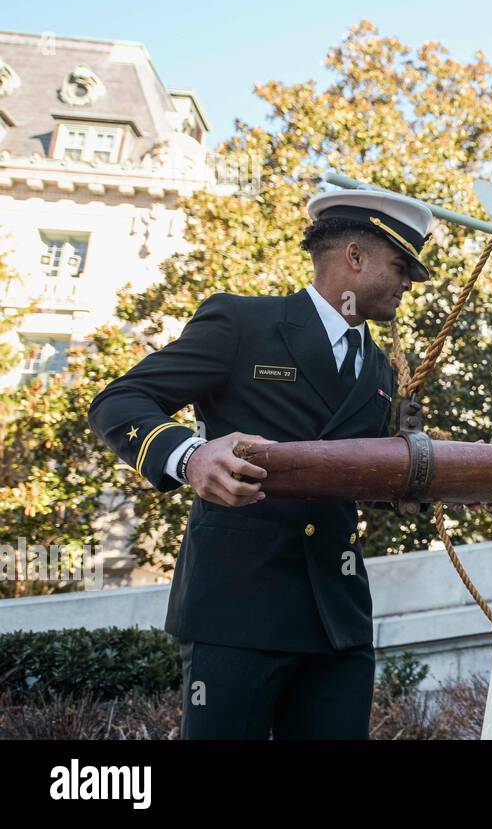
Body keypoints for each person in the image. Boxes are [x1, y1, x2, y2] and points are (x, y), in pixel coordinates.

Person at [88, 182, 435, 739]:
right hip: (237, 609)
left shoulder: (380, 369)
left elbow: (354, 477)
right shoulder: (243, 324)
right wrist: (191, 456)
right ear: (354, 257)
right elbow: (118, 402)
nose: (407, 285)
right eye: (400, 267)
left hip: (337, 618)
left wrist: (429, 483)